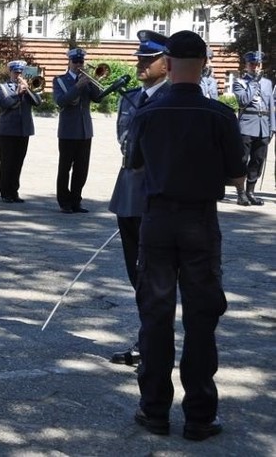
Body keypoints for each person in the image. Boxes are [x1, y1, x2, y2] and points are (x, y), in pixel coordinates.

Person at [126, 30, 244, 441]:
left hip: (157, 221)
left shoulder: (147, 113)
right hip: (199, 221)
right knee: (201, 319)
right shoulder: (220, 115)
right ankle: (199, 416)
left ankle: (154, 409)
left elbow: (134, 164)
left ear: (170, 63)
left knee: (155, 317)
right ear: (205, 65)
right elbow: (237, 173)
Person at [107, 30, 170, 367]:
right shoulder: (132, 97)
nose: (141, 64)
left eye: (149, 60)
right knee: (137, 274)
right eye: (140, 59)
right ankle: (147, 339)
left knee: (153, 275)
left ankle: (153, 344)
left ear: (168, 63)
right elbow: (125, 139)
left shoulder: (171, 99)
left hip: (153, 197)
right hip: (129, 194)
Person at [53, 47, 103, 213]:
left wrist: (93, 80)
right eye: (75, 61)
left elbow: (97, 98)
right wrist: (78, 86)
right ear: (69, 62)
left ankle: (76, 200)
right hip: (68, 131)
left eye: (81, 61)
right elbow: (61, 101)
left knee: (82, 169)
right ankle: (64, 202)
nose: (78, 64)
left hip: (85, 131)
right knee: (65, 168)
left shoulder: (87, 79)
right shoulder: (60, 80)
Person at [0, 60, 41, 204]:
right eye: (15, 72)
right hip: (7, 131)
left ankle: (14, 191)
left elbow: (37, 102)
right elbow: (4, 104)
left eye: (20, 73)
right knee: (7, 162)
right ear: (10, 72)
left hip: (23, 130)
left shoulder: (28, 87)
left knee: (18, 162)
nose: (18, 75)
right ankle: (5, 192)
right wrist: (18, 94)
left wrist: (29, 90)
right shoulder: (1, 87)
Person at [232, 50, 274, 206]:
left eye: (257, 64)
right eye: (252, 64)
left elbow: (270, 107)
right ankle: (240, 193)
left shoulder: (268, 83)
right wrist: (254, 82)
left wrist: (272, 128)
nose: (255, 67)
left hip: (264, 126)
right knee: (242, 160)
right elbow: (243, 101)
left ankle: (251, 192)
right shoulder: (239, 83)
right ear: (246, 65)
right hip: (247, 125)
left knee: (258, 160)